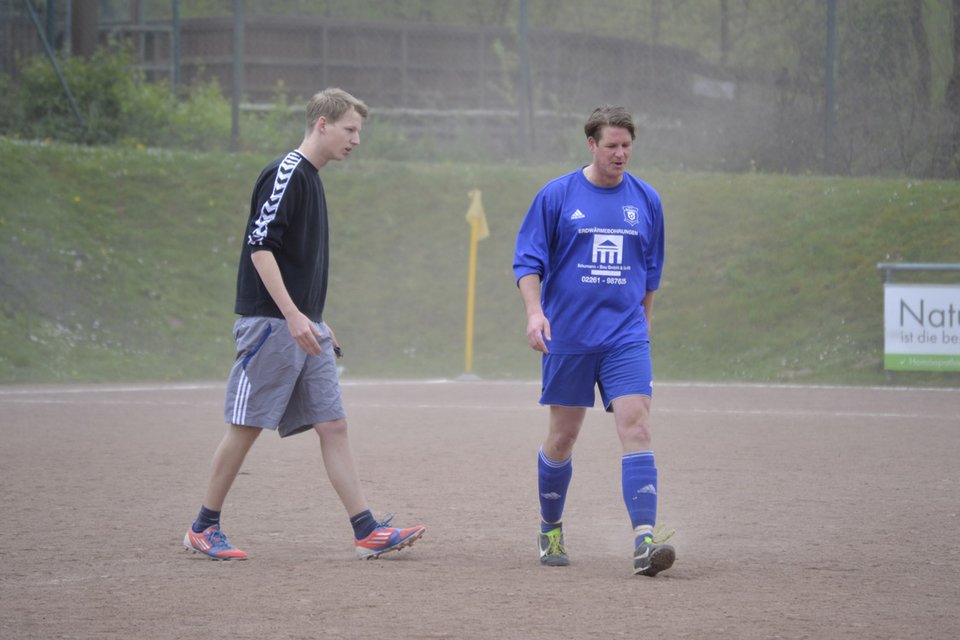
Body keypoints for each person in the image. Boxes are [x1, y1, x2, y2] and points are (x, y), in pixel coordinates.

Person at [183, 88, 425, 561]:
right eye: (350, 129)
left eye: (359, 131)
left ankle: (366, 530)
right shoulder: (287, 173)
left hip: (300, 325)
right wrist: (294, 316)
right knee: (246, 425)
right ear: (322, 124)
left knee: (333, 425)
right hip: (272, 325)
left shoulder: (314, 179)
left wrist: (315, 319)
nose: (357, 139)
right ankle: (202, 527)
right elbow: (260, 247)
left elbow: (295, 263)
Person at [512, 104, 673, 576]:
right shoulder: (557, 195)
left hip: (625, 337)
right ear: (591, 144)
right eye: (611, 146)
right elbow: (527, 261)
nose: (620, 154)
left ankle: (645, 541)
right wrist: (535, 313)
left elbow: (651, 271)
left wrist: (644, 321)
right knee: (563, 437)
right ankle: (551, 527)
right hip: (569, 336)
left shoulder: (647, 200)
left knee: (636, 425)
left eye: (627, 146)